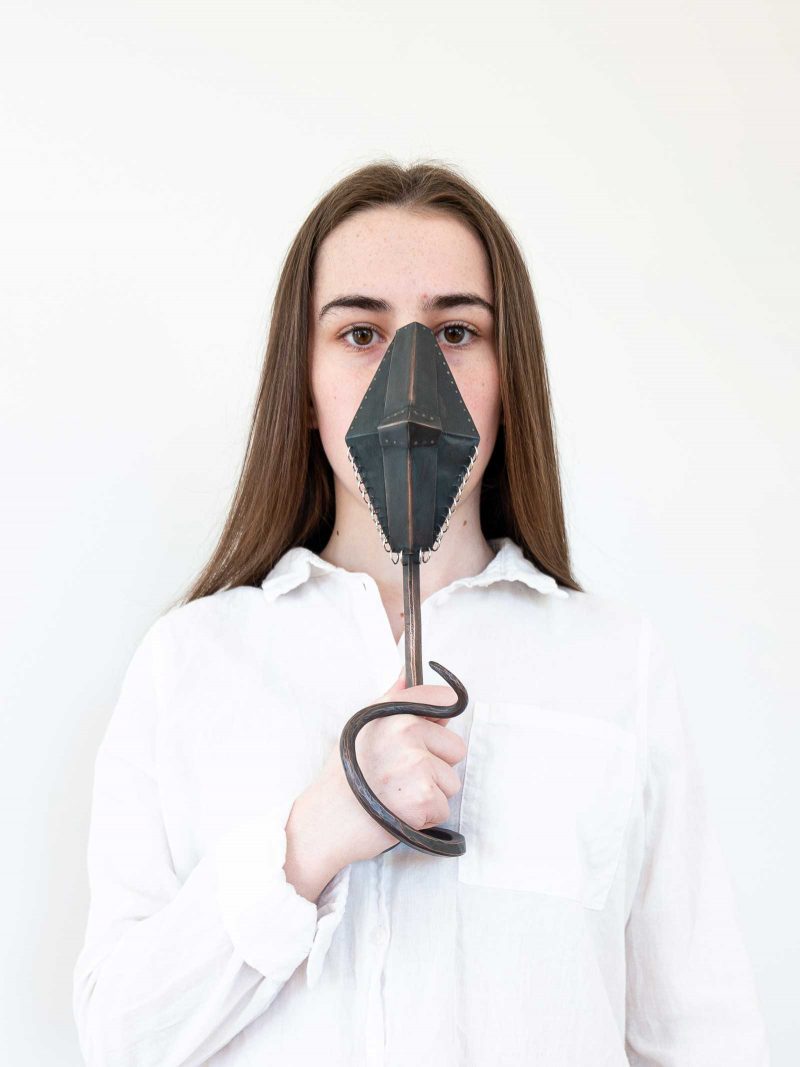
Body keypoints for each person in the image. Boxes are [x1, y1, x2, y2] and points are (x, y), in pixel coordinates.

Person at [72, 159, 770, 1066]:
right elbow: (119, 1039)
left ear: (508, 375)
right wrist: (309, 838)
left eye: (455, 329)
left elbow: (705, 1038)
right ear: (303, 380)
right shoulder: (193, 660)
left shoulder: (615, 661)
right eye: (361, 331)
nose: (412, 377)